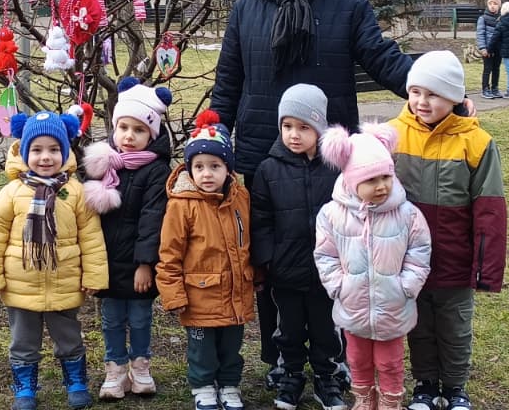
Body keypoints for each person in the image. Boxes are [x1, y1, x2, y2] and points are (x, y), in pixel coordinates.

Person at [209, 0, 416, 375]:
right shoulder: (246, 9)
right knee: (272, 259)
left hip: (330, 158)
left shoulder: (347, 6)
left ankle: (333, 354)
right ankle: (280, 357)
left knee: (337, 254)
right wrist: (214, 132)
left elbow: (383, 59)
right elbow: (228, 82)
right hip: (263, 157)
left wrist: (433, 91)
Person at [388, 52, 507, 410]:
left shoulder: (477, 143)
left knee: (455, 327)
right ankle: (425, 384)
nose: (422, 102)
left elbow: (490, 209)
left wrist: (485, 268)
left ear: (454, 97)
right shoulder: (392, 136)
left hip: (455, 259)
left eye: (433, 94)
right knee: (419, 325)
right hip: (409, 260)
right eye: (416, 92)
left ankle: (455, 387)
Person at [0, 109, 108, 410]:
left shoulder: (75, 192)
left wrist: (93, 276)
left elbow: (91, 237)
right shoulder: (12, 192)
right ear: (25, 152)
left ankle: (75, 381)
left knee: (69, 337)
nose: (45, 157)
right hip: (20, 282)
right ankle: (25, 387)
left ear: (65, 152)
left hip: (64, 280)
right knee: (23, 341)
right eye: (37, 150)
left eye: (53, 149)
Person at [313, 124, 433, 410]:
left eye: (386, 177)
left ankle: (390, 400)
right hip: (353, 304)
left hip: (393, 305)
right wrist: (338, 286)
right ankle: (364, 398)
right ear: (352, 180)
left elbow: (419, 252)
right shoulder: (331, 215)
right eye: (371, 180)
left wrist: (406, 286)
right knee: (357, 359)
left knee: (390, 361)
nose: (381, 186)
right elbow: (325, 255)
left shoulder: (407, 214)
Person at [249, 83, 347, 410]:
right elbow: (260, 219)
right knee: (288, 330)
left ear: (319, 128)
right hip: (285, 270)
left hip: (326, 272)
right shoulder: (268, 169)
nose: (294, 134)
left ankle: (327, 377)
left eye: (304, 127)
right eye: (287, 126)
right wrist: (268, 259)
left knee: (325, 330)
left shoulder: (335, 168)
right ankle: (290, 375)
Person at [81, 78, 174, 401]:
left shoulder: (156, 171)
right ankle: (115, 369)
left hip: (137, 266)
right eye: (123, 127)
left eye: (139, 130)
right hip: (105, 261)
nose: (129, 136)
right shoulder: (101, 165)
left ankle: (141, 366)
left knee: (139, 318)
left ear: (152, 135)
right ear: (114, 128)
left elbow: (153, 219)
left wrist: (145, 264)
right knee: (111, 319)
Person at [156, 110, 254, 410]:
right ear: (190, 169)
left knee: (231, 346)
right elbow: (169, 254)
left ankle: (229, 385)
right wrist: (173, 294)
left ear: (228, 169)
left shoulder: (240, 198)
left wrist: (256, 275)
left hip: (235, 292)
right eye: (199, 167)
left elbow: (249, 242)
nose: (207, 174)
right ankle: (203, 386)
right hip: (199, 294)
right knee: (202, 349)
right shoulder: (182, 206)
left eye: (215, 166)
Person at [473, 0, 502, 100]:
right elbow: (480, 34)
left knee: (496, 69)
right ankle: (485, 89)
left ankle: (495, 88)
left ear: (499, 6)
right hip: (487, 49)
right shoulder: (483, 18)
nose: (492, 6)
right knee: (487, 69)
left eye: (495, 4)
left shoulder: (501, 18)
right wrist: (483, 48)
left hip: (498, 48)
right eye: (490, 4)